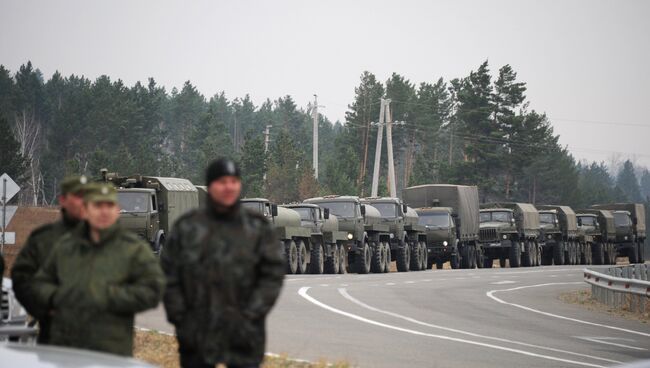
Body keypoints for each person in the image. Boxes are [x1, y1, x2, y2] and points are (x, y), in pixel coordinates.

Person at [162, 158, 285, 368]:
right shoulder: (187, 228)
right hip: (197, 337)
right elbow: (169, 278)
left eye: (234, 181)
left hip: (244, 337)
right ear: (210, 186)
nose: (229, 187)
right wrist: (182, 320)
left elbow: (272, 275)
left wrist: (250, 315)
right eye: (222, 182)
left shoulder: (257, 228)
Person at [30, 183, 165, 356]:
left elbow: (153, 288)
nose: (103, 212)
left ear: (117, 210)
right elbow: (41, 283)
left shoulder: (135, 250)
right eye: (97, 206)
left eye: (109, 206)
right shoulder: (67, 247)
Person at [11, 175, 88, 343]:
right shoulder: (43, 239)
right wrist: (43, 310)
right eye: (76, 196)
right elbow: (21, 279)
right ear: (63, 200)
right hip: (54, 335)